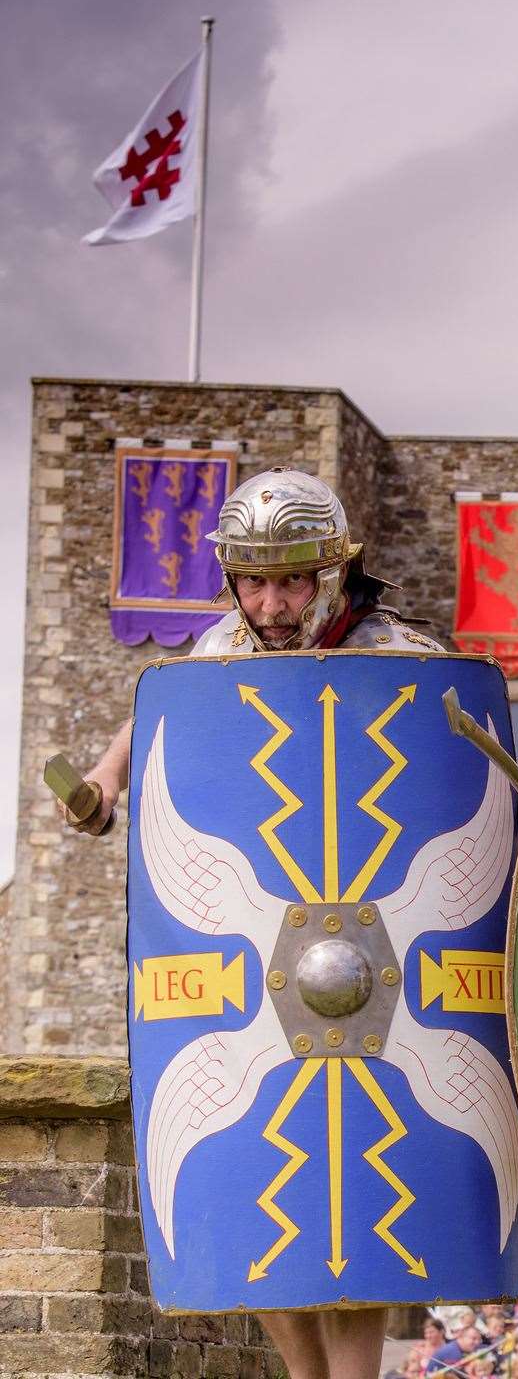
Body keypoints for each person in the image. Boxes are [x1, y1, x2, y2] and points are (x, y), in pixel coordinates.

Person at [59, 467, 442, 1379]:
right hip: (254, 973)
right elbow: (157, 716)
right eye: (253, 580)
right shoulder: (219, 650)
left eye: (292, 580)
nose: (271, 603)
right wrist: (107, 784)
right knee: (258, 1196)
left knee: (353, 1200)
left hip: (371, 970)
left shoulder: (397, 657)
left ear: (332, 574)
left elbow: (446, 753)